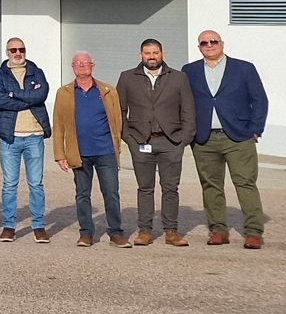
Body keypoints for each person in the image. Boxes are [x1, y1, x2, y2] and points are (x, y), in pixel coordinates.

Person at [185, 31, 268, 248]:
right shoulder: (190, 71)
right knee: (211, 186)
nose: (209, 45)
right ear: (199, 47)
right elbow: (184, 103)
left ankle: (253, 232)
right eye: (204, 43)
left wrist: (255, 129)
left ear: (222, 44)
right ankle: (218, 230)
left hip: (238, 138)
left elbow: (259, 100)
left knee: (245, 183)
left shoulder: (244, 68)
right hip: (204, 139)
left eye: (214, 41)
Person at [115, 39, 194, 246]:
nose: (152, 56)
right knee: (145, 188)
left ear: (162, 54)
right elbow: (119, 110)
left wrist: (184, 138)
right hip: (141, 141)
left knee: (170, 188)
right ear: (140, 55)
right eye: (147, 53)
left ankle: (171, 231)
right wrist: (128, 137)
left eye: (155, 52)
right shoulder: (127, 77)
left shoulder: (179, 78)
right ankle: (145, 230)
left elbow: (188, 110)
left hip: (171, 141)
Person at [53, 53, 128, 248]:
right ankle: (86, 232)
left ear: (92, 66)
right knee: (82, 193)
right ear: (72, 67)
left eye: (85, 63)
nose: (82, 66)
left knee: (111, 192)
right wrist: (60, 154)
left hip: (106, 151)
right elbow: (59, 125)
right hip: (78, 152)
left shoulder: (107, 91)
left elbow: (117, 122)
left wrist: (116, 146)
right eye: (78, 63)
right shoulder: (64, 92)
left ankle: (116, 232)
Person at [0, 38, 51, 243]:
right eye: (13, 50)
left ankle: (39, 225)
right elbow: (0, 101)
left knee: (36, 184)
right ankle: (9, 225)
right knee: (9, 184)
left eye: (21, 49)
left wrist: (15, 94)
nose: (18, 53)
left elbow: (41, 95)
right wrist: (28, 98)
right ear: (7, 52)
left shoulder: (37, 71)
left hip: (34, 136)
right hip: (10, 137)